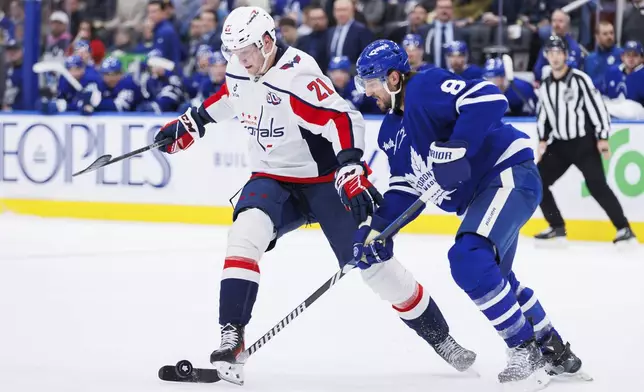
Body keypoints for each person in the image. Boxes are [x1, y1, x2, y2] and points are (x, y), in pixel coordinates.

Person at [153, 6, 476, 385]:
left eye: (246, 52)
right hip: (272, 178)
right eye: (234, 54)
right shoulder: (242, 65)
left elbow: (344, 118)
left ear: (268, 41)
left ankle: (442, 338)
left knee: (376, 269)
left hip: (324, 182)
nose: (240, 61)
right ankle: (231, 335)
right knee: (245, 233)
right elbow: (232, 94)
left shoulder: (298, 75)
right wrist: (195, 121)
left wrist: (351, 167)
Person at [353, 39, 590, 390]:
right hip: (486, 193)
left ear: (392, 78)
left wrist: (456, 147)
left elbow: (490, 99)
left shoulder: (424, 86)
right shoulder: (390, 131)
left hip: (508, 174)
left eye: (371, 82)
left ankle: (524, 348)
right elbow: (405, 188)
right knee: (494, 279)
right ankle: (555, 351)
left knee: (467, 258)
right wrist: (376, 231)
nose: (367, 91)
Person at [535, 36, 637, 244]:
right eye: (550, 53)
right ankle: (557, 227)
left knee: (597, 185)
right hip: (560, 145)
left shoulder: (579, 79)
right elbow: (544, 114)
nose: (554, 57)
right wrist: (543, 139)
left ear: (565, 55)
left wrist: (602, 137)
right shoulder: (545, 85)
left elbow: (598, 108)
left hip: (583, 143)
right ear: (546, 56)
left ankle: (624, 228)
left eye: (558, 53)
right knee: (537, 182)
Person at [76, 56, 145, 114]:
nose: (109, 78)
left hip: (137, 115)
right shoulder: (99, 83)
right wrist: (86, 105)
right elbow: (80, 102)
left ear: (121, 74)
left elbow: (121, 108)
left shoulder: (128, 83)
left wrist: (97, 103)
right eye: (106, 74)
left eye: (113, 74)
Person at [584, 21, 622, 86]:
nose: (609, 37)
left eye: (611, 33)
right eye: (605, 34)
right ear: (597, 37)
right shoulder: (589, 59)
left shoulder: (622, 55)